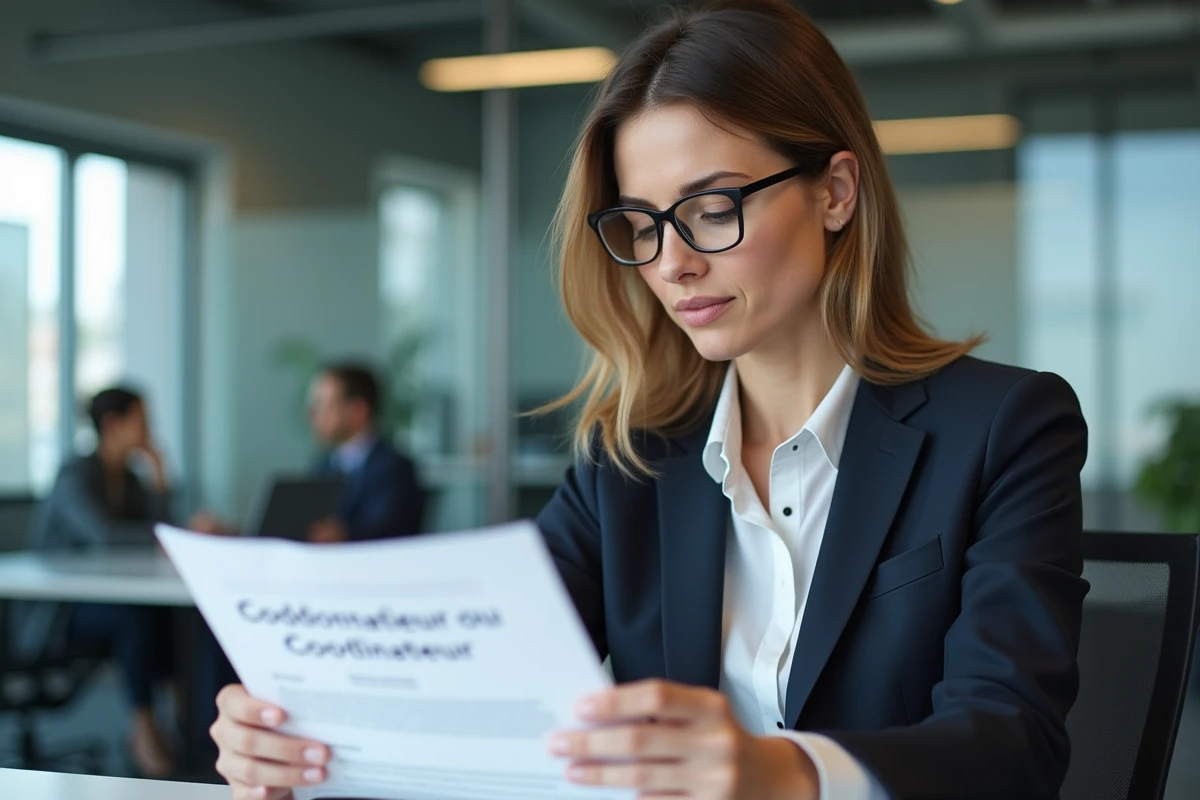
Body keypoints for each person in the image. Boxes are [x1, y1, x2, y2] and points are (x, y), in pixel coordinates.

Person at [207, 1, 1089, 798]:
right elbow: (472, 671)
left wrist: (784, 773)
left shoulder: (1004, 429)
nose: (672, 263)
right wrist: (304, 728)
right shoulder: (630, 458)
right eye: (641, 223)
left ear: (834, 192)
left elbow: (1012, 744)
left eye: (712, 208)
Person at [29, 387, 177, 778]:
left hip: (107, 598)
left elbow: (160, 529)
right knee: (133, 620)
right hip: (58, 609)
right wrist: (163, 536)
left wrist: (160, 479)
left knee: (170, 617)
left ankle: (183, 721)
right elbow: (105, 535)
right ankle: (142, 727)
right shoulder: (73, 477)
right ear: (112, 424)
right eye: (142, 421)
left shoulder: (128, 478)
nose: (150, 431)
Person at [192, 362, 423, 543]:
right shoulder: (325, 465)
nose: (311, 415)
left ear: (357, 411)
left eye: (322, 404)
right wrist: (231, 533)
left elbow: (389, 535)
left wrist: (343, 536)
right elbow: (293, 528)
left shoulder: (394, 468)